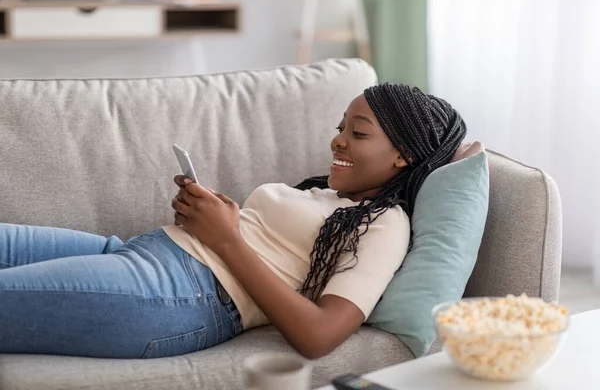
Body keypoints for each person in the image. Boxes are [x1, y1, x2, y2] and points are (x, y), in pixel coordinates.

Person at [0, 83, 466, 360]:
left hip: (180, 295)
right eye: (340, 127)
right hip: (140, 251)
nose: (338, 141)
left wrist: (226, 241)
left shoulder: (385, 223)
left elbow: (319, 335)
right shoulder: (323, 194)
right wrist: (212, 219)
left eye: (357, 133)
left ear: (404, 155)